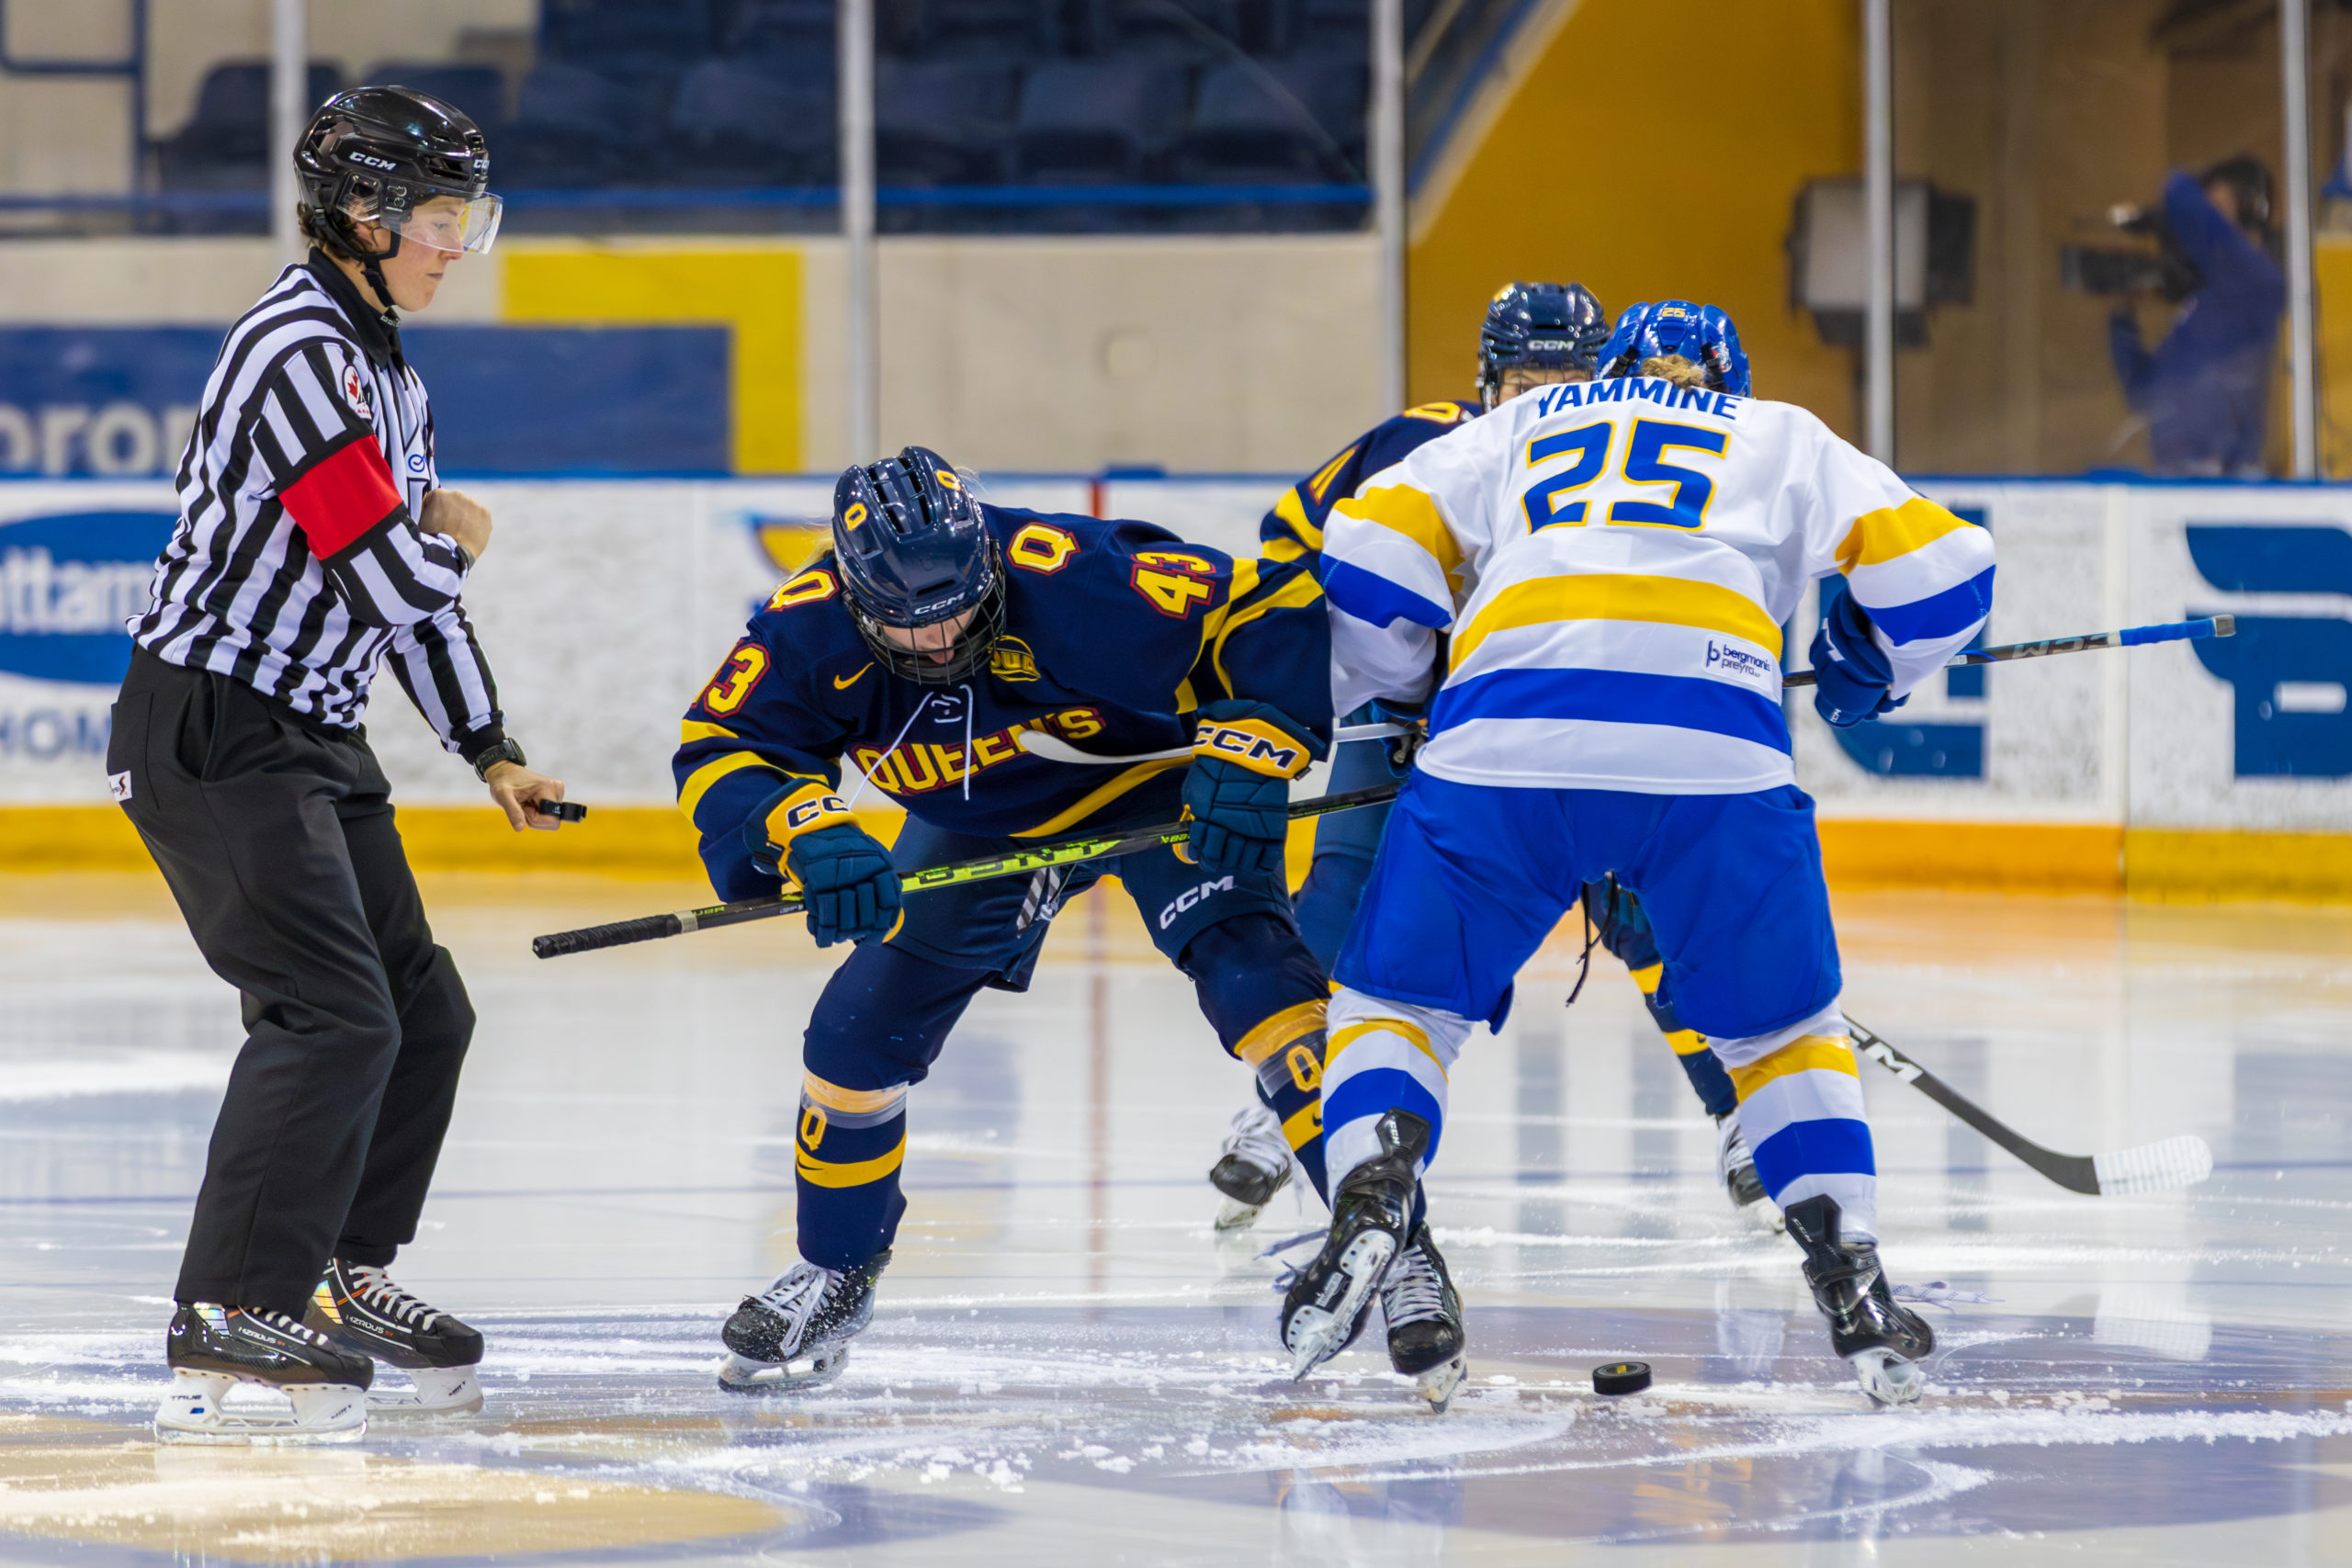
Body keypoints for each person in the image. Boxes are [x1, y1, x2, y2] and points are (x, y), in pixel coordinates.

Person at [1283, 300, 1995, 1407]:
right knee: (1776, 1037)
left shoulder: (1522, 425)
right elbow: (1948, 577)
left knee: (1398, 1007)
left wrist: (1412, 684)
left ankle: (1374, 1190)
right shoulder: (1778, 431)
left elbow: (1369, 553)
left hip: (1502, 747)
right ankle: (1850, 1280)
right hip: (1709, 760)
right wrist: (1864, 660)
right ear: (1729, 376)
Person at [672, 447, 1468, 1406]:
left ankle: (1401, 1253)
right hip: (986, 827)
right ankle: (836, 1270)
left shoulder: (1071, 570)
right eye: (899, 620)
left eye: (956, 608)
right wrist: (800, 826)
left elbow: (1265, 602)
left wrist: (1256, 738)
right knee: (852, 1038)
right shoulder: (802, 628)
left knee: (1261, 988)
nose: (933, 642)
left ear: (986, 565)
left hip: (1159, 792)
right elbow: (725, 746)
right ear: (845, 584)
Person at [110, 86, 563, 1443]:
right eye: (438, 218)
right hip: (216, 732)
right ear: (362, 215)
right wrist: (461, 539)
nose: (455, 246)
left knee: (426, 1013)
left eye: (464, 217)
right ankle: (229, 1302)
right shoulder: (294, 352)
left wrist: (493, 746)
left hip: (309, 735)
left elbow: (413, 602)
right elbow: (386, 570)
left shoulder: (392, 374)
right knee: (330, 1013)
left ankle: (336, 1272)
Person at [1206, 282, 1771, 1235]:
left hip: (1536, 721)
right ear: (1484, 380)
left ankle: (1740, 1114)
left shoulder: (1613, 460)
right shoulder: (1422, 443)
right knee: (1342, 908)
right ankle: (1283, 1106)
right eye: (1521, 379)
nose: (1539, 395)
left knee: (1641, 911)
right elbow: (1293, 544)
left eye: (1564, 377)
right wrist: (1386, 664)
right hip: (1402, 715)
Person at [2109, 156, 2285, 477]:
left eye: (2215, 207)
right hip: (2175, 484)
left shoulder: (2256, 280)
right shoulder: (2203, 304)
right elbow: (2144, 394)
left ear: (2251, 210)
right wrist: (2122, 317)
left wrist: (2164, 215)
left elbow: (2180, 195)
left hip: (2226, 490)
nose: (2205, 222)